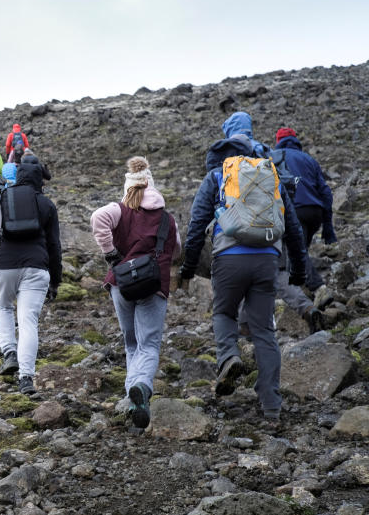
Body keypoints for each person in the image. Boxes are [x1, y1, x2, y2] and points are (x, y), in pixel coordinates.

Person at [179, 134, 308, 422]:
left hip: (229, 259)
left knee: (224, 312)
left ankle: (229, 357)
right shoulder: (268, 174)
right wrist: (299, 271)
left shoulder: (216, 177)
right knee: (264, 331)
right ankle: (272, 405)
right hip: (267, 259)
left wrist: (188, 269)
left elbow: (196, 226)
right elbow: (294, 228)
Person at [90, 157, 179, 428]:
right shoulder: (166, 218)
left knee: (131, 343)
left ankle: (133, 398)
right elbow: (176, 249)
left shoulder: (119, 209)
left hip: (122, 283)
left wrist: (111, 254)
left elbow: (97, 218)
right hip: (154, 285)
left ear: (128, 186)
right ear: (151, 184)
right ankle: (141, 386)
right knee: (148, 344)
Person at [0, 162, 62, 396]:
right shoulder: (46, 204)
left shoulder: (1, 199)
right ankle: (26, 378)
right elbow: (54, 246)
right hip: (37, 268)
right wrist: (55, 280)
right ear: (39, 180)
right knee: (28, 321)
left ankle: (9, 353)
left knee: (4, 306)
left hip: (4, 265)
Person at [272, 127, 336, 290]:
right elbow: (326, 192)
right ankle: (298, 292)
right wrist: (328, 226)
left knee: (295, 252)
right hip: (315, 212)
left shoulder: (275, 158)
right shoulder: (309, 159)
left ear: (278, 141)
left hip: (294, 211)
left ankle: (319, 289)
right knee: (297, 254)